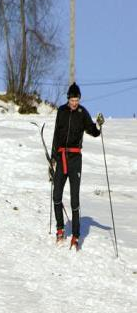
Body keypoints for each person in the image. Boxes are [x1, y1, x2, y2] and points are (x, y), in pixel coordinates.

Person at [51, 82, 104, 248]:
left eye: (77, 99)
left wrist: (98, 125)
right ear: (68, 98)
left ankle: (75, 235)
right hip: (61, 157)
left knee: (75, 199)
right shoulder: (61, 111)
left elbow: (92, 131)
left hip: (75, 159)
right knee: (56, 196)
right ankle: (60, 230)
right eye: (73, 99)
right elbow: (56, 134)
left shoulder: (82, 113)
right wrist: (53, 158)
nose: (75, 102)